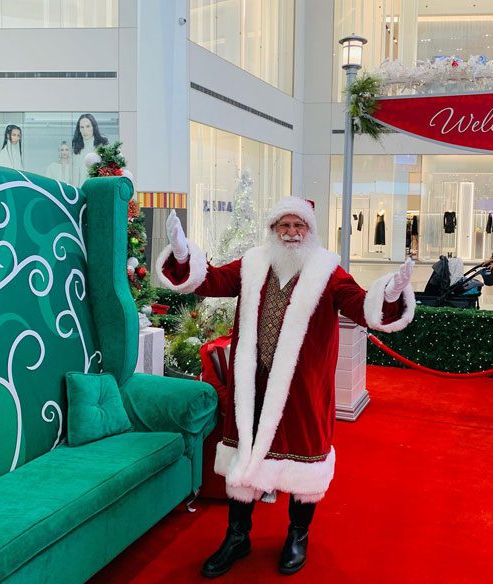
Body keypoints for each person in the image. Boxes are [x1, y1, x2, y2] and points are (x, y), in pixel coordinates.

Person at [156, 196, 415, 577]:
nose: (291, 233)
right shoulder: (253, 263)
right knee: (245, 456)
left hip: (303, 390)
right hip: (254, 384)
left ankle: (298, 535)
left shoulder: (329, 272)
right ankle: (237, 535)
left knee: (304, 462)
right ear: (273, 229)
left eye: (299, 226)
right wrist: (182, 255)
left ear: (310, 231)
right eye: (284, 226)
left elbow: (361, 306)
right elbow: (211, 280)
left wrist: (389, 294)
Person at [71, 113, 108, 186]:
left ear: (93, 127)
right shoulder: (76, 148)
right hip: (80, 191)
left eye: (88, 126)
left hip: (97, 188)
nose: (85, 130)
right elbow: (75, 175)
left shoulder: (102, 146)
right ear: (79, 130)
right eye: (82, 127)